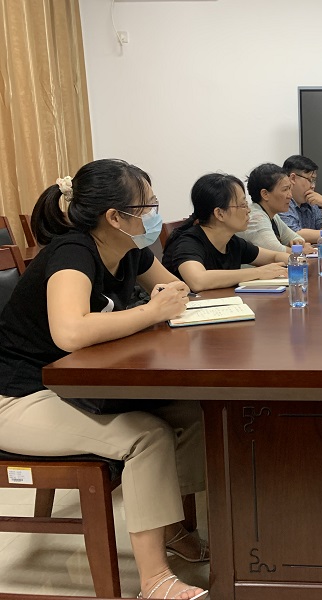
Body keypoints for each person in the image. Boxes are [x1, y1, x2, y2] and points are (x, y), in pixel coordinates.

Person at [0, 159, 209, 599]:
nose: (154, 215)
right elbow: (70, 331)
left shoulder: (131, 250)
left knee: (191, 412)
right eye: (148, 206)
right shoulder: (73, 252)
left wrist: (167, 299)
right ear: (115, 217)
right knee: (147, 436)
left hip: (74, 388)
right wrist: (150, 311)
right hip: (19, 395)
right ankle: (154, 581)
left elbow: (177, 291)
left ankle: (171, 527)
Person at [162, 173, 289, 292]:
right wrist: (259, 272)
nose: (248, 210)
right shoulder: (189, 243)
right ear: (219, 213)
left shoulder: (232, 242)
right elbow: (198, 280)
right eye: (242, 205)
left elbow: (274, 257)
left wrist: (294, 261)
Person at [238, 162, 313, 254]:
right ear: (265, 194)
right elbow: (275, 251)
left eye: (290, 188)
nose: (290, 195)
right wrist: (301, 251)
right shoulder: (256, 218)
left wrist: (297, 242)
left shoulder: (273, 215)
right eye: (285, 189)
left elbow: (294, 237)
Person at [278, 155, 322, 243]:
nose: (313, 186)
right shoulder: (282, 201)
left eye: (314, 181)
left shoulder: (310, 201)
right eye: (310, 180)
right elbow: (292, 233)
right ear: (293, 178)